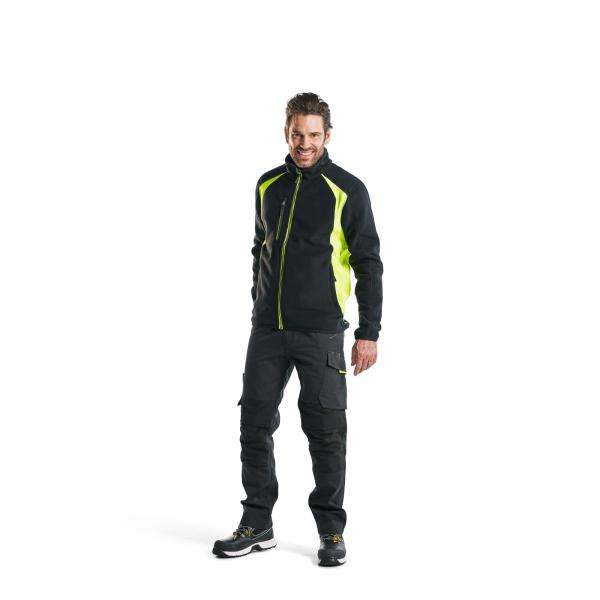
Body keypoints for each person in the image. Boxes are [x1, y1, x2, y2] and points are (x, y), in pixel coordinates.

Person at [212, 92, 383, 566]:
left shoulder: (347, 189)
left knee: (326, 432)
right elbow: (259, 247)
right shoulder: (268, 184)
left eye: (313, 135)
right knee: (254, 425)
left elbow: (368, 263)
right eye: (296, 134)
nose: (304, 144)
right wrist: (260, 302)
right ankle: (257, 523)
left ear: (327, 136)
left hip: (322, 331)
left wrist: (368, 332)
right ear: (286, 133)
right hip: (268, 330)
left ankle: (331, 531)